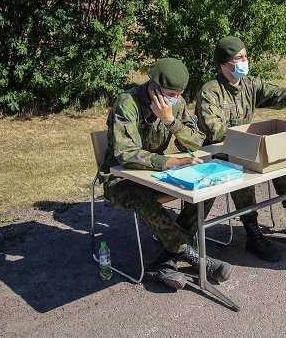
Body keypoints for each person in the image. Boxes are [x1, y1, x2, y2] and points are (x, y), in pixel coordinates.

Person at [99, 57, 233, 290]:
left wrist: (170, 121)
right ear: (153, 87)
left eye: (179, 93)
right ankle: (192, 255)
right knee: (143, 199)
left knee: (206, 186)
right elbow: (126, 154)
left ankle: (165, 259)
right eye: (171, 93)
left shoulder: (175, 105)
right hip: (120, 177)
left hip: (154, 174)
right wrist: (170, 161)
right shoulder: (127, 102)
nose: (175, 98)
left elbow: (196, 142)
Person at [195, 36, 286, 262]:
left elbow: (278, 94)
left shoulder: (250, 85)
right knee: (240, 163)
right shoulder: (211, 91)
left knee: (283, 154)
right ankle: (251, 230)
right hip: (220, 153)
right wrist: (250, 137)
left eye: (245, 56)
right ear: (224, 63)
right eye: (239, 58)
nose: (244, 61)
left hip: (251, 145)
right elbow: (214, 131)